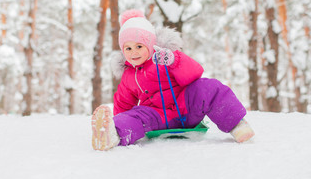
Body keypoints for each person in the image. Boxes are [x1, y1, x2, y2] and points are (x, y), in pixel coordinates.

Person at [91, 9, 255, 151]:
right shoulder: (128, 75)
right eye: (128, 48)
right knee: (135, 115)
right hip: (156, 117)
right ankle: (113, 135)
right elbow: (123, 104)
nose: (134, 52)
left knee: (208, 87)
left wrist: (174, 60)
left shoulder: (165, 57)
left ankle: (237, 125)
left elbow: (194, 73)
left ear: (150, 43)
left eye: (139, 46)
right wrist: (119, 122)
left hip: (185, 108)